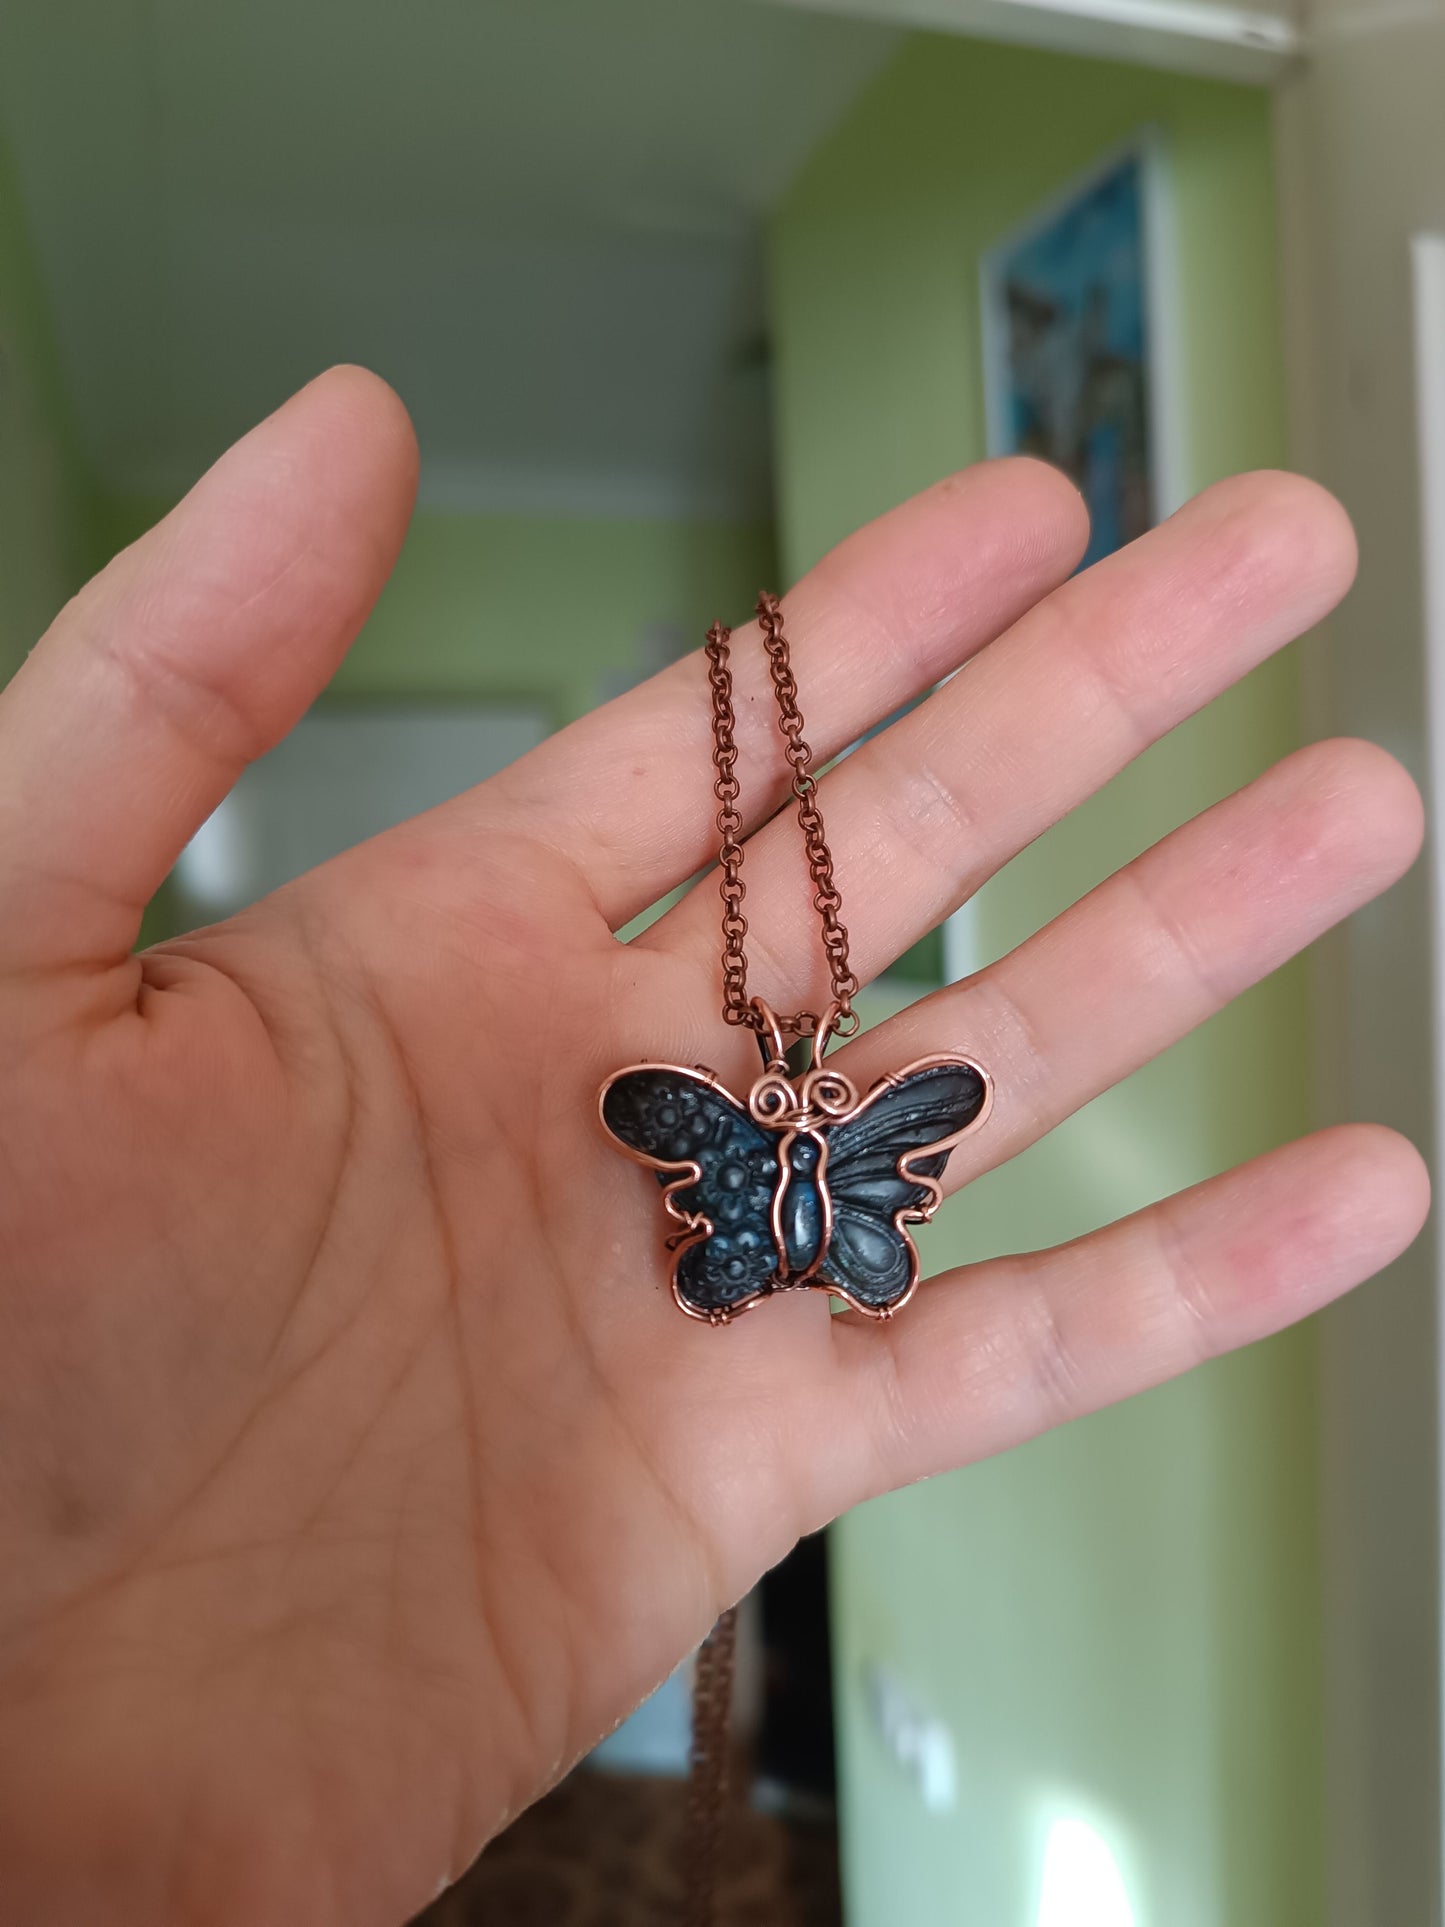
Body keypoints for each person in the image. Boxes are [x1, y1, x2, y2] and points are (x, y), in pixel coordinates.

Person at [0, 367, 1426, 1925]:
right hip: (767, 1237)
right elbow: (718, 1106)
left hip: (764, 1233)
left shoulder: (769, 1110)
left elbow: (789, 1106)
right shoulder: (760, 1114)